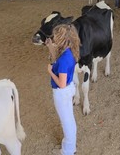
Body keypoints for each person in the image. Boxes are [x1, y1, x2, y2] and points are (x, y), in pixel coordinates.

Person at [45, 24, 80, 155]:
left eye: (55, 37)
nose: (53, 38)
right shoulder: (68, 51)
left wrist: (50, 71)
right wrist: (50, 47)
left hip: (62, 92)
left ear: (61, 39)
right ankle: (70, 148)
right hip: (67, 90)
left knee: (66, 122)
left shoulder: (65, 58)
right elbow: (57, 57)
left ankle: (68, 151)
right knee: (69, 119)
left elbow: (62, 83)